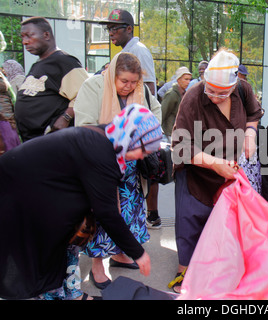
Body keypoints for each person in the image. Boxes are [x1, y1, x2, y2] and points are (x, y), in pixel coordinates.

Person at [0, 105, 159, 300]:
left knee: (67, 246)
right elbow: (107, 213)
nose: (142, 156)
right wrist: (138, 252)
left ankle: (69, 294)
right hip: (21, 194)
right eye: (143, 150)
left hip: (39, 194)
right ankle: (51, 295)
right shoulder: (101, 151)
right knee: (43, 259)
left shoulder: (107, 137)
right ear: (131, 138)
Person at [169, 48, 262, 293]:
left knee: (223, 223)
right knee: (191, 219)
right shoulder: (193, 96)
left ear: (234, 86)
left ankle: (217, 268)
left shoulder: (244, 90)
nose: (213, 96)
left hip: (229, 170)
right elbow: (180, 145)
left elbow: (253, 114)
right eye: (209, 89)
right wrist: (212, 162)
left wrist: (251, 133)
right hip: (196, 170)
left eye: (221, 93)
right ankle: (185, 272)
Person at [74, 52, 161, 289]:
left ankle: (120, 254)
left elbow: (155, 112)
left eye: (133, 82)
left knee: (129, 214)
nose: (129, 87)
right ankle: (97, 265)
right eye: (124, 81)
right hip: (101, 162)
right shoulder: (93, 86)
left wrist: (143, 136)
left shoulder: (140, 89)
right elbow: (84, 126)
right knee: (103, 214)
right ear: (113, 74)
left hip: (131, 166)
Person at [14, 16, 88, 142]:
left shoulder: (65, 62)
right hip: (33, 142)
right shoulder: (38, 64)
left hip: (52, 141)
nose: (24, 42)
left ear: (46, 35)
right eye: (22, 37)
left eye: (29, 35)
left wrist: (65, 117)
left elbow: (86, 95)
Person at [100, 9, 157, 95]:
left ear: (129, 29)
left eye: (114, 28)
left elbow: (149, 89)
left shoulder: (139, 50)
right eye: (109, 29)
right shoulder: (125, 52)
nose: (110, 33)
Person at [161, 66, 192, 138]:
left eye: (189, 79)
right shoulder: (171, 94)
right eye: (186, 79)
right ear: (178, 79)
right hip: (170, 134)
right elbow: (162, 113)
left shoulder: (185, 94)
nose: (188, 82)